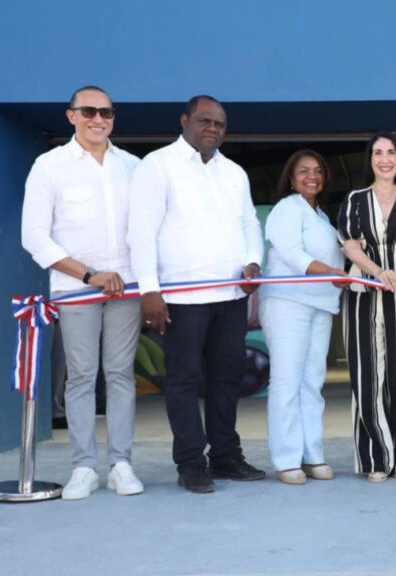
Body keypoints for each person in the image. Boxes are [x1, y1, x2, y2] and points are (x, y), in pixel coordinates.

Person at [128, 95, 266, 494]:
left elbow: (249, 225)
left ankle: (225, 456)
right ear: (185, 120)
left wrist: (253, 262)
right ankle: (191, 463)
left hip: (231, 296)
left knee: (227, 379)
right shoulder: (157, 165)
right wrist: (149, 290)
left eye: (219, 124)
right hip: (181, 300)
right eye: (205, 121)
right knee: (184, 381)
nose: (212, 129)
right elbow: (142, 232)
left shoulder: (234, 172)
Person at [21, 85, 144, 500]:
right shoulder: (49, 166)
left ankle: (121, 464)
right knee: (81, 376)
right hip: (76, 291)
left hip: (127, 288)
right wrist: (90, 275)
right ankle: (84, 467)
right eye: (89, 111)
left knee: (121, 374)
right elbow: (34, 236)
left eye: (106, 112)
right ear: (71, 115)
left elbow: (148, 230)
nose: (98, 119)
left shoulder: (133, 166)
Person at [338, 132, 396, 483]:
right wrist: (377, 271)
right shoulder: (354, 199)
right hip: (363, 293)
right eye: (377, 153)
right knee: (366, 375)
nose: (384, 159)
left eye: (391, 152)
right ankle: (375, 458)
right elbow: (349, 245)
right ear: (370, 160)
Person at [260, 150, 346, 485]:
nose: (312, 176)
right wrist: (331, 272)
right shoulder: (287, 208)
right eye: (303, 171)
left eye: (318, 171)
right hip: (287, 303)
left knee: (312, 382)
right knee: (287, 381)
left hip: (321, 305)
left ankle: (312, 455)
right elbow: (293, 253)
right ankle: (286, 460)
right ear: (292, 179)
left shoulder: (321, 215)